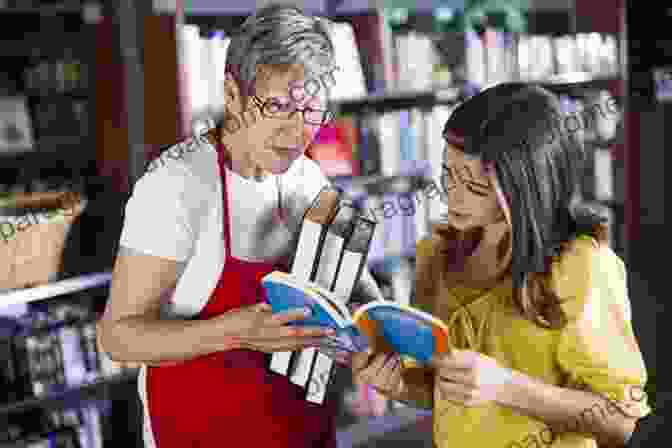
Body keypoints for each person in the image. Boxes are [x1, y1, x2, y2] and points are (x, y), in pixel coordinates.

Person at [97, 5, 383, 448]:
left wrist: (375, 331)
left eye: (311, 111)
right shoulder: (177, 185)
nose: (295, 132)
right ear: (232, 94)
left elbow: (354, 292)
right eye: (277, 107)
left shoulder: (307, 177)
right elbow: (117, 337)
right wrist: (234, 331)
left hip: (302, 431)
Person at [351, 83, 651, 448]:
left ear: (526, 187)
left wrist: (506, 387)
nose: (453, 197)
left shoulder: (581, 267)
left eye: (476, 187)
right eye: (448, 176)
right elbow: (442, 392)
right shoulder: (435, 255)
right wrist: (397, 383)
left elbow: (621, 420)